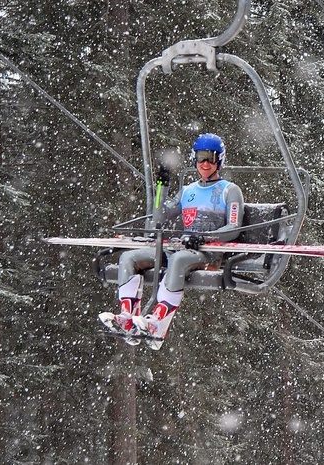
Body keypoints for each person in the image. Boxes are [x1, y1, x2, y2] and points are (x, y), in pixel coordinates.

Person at [98, 133, 244, 349]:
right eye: (201, 157)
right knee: (129, 258)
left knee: (177, 261)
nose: (205, 163)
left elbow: (233, 228)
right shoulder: (188, 191)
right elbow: (160, 216)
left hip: (208, 252)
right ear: (194, 159)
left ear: (219, 160)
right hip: (181, 247)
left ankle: (159, 322)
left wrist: (204, 237)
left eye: (211, 158)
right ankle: (128, 316)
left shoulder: (229, 191)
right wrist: (161, 186)